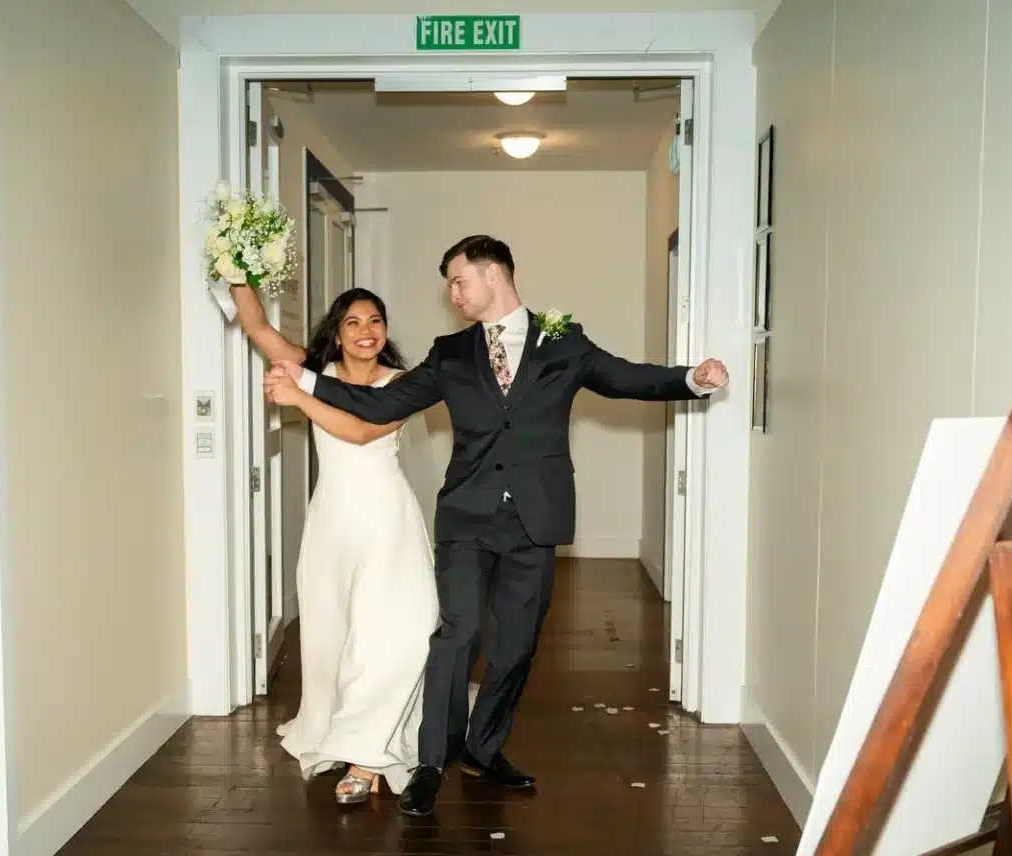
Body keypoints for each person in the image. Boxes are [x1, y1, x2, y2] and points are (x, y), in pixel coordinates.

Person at [262, 235, 729, 817]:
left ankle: (484, 750)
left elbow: (624, 377)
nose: (453, 296)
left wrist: (692, 379)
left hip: (537, 517)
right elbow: (382, 404)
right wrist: (306, 382)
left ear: (493, 276)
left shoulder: (563, 341)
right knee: (456, 634)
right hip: (466, 516)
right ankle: (431, 763)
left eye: (458, 282)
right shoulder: (451, 353)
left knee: (515, 647)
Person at [228, 282, 438, 806]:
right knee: (331, 633)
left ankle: (367, 754)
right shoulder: (315, 370)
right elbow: (257, 328)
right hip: (332, 524)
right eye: (353, 323)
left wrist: (298, 396)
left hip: (386, 521)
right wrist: (238, 266)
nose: (366, 332)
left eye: (375, 321)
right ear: (336, 333)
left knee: (393, 632)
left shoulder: (402, 382)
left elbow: (363, 431)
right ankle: (334, 728)